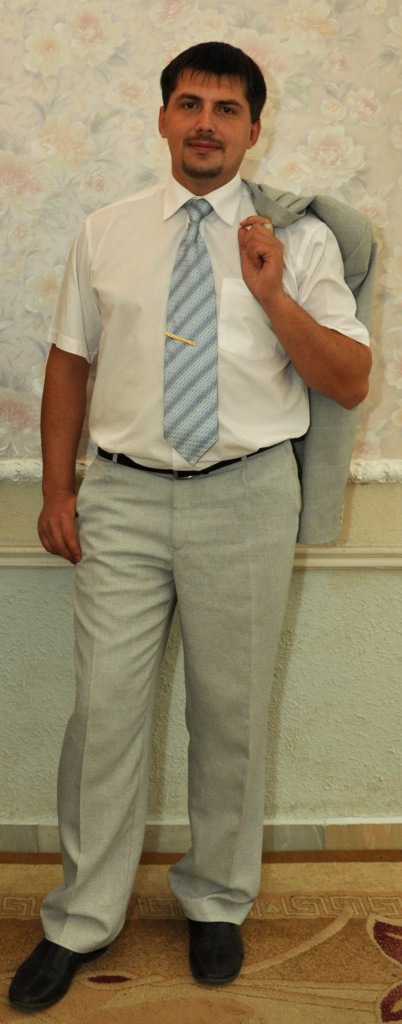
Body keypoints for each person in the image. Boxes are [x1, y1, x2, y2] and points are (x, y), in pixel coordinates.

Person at [9, 41, 372, 1011]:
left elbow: (348, 379)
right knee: (103, 716)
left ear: (254, 128)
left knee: (230, 715)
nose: (206, 122)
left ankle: (217, 900)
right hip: (123, 499)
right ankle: (80, 919)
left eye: (227, 108)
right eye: (189, 103)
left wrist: (272, 291)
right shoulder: (107, 231)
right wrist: (58, 489)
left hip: (246, 496)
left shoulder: (301, 241)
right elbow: (69, 362)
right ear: (163, 117)